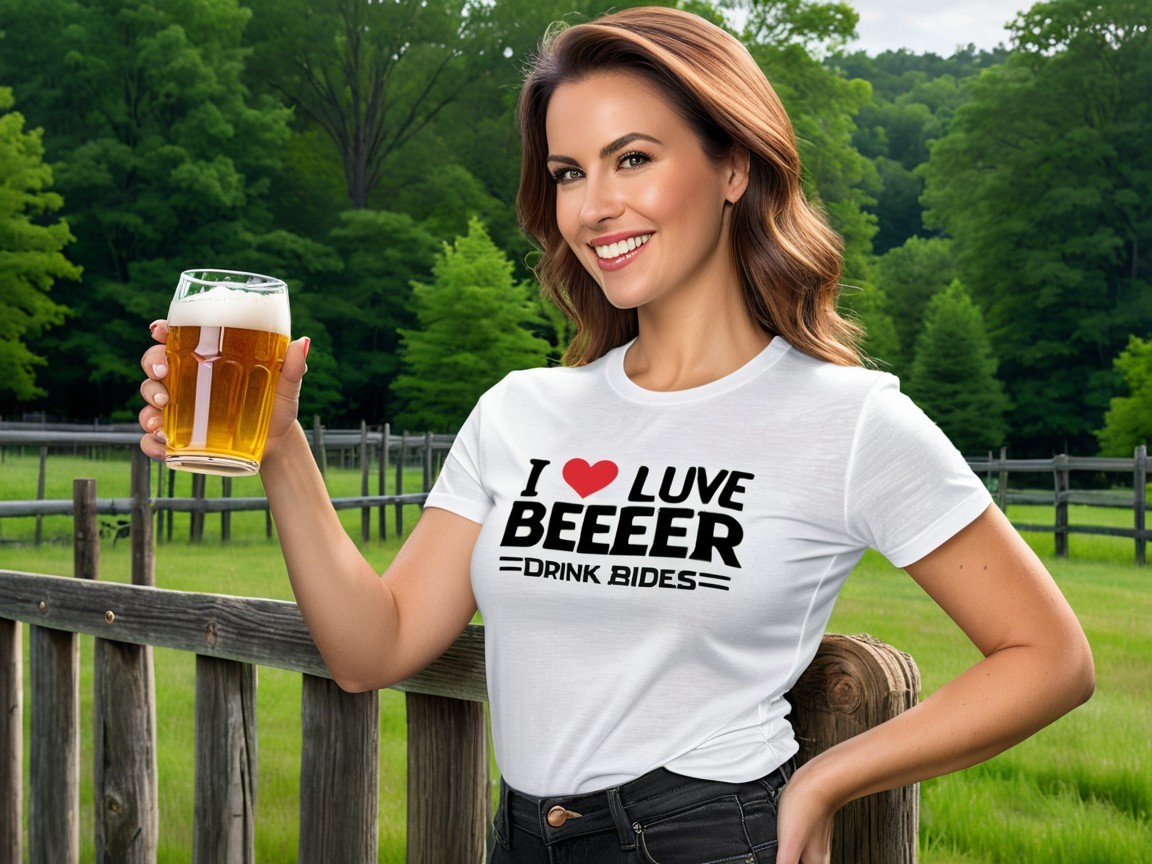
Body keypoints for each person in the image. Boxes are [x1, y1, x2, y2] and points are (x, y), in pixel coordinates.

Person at [138, 7, 1094, 863]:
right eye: (568, 172)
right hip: (517, 835)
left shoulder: (845, 419)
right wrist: (279, 446)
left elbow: (1049, 657)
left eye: (633, 158)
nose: (595, 207)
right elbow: (372, 648)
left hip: (708, 836)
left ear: (734, 165)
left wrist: (825, 779)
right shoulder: (521, 412)